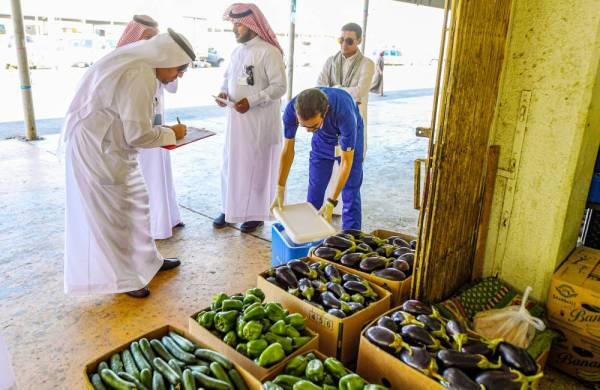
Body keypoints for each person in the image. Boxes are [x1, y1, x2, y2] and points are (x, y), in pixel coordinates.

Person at [59, 29, 196, 298]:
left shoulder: (142, 67)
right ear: (166, 58)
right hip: (98, 150)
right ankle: (125, 280)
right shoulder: (140, 73)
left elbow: (134, 125)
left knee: (137, 204)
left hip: (114, 145)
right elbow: (139, 134)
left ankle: (149, 263)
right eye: (179, 70)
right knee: (114, 215)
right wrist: (173, 133)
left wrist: (164, 130)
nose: (178, 76)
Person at [213, 3, 287, 233]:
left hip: (259, 123)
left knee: (256, 166)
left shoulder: (269, 51)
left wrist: (252, 101)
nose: (234, 29)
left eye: (238, 24)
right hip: (236, 122)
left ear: (251, 25)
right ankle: (230, 208)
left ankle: (254, 213)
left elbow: (280, 87)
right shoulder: (237, 52)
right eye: (233, 24)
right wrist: (224, 93)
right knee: (231, 164)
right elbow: (228, 78)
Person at [117, 15, 185, 240]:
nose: (151, 45)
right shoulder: (134, 70)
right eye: (146, 38)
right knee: (143, 180)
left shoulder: (153, 66)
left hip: (153, 129)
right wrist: (169, 133)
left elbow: (172, 86)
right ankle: (152, 229)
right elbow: (137, 134)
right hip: (137, 134)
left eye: (155, 39)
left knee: (158, 175)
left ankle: (164, 221)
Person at [273, 88, 364, 230]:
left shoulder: (344, 113)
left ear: (325, 111)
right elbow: (288, 150)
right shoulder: (291, 110)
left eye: (313, 126)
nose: (308, 131)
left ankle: (352, 234)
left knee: (350, 188)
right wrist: (280, 187)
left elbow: (346, 162)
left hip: (347, 135)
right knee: (316, 185)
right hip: (321, 139)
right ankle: (311, 231)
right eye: (304, 126)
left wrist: (331, 202)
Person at [317, 23, 374, 215]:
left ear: (359, 41)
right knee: (329, 166)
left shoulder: (367, 64)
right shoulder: (330, 61)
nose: (344, 44)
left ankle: (349, 225)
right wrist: (341, 91)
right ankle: (329, 208)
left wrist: (335, 90)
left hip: (353, 121)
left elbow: (360, 91)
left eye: (349, 41)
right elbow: (319, 87)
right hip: (329, 121)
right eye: (341, 40)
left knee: (351, 169)